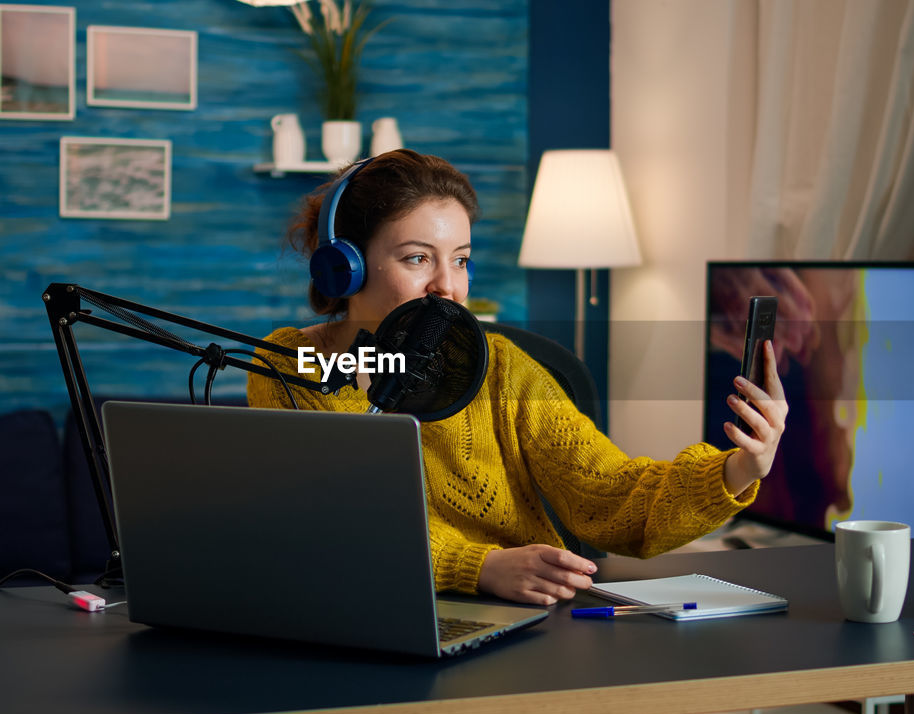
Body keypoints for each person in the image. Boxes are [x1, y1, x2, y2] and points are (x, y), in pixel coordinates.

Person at [247, 149, 788, 605]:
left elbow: (610, 496)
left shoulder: (503, 368)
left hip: (523, 623)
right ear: (345, 267)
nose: (448, 288)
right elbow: (338, 522)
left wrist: (739, 468)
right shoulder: (290, 368)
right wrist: (481, 567)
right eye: (417, 259)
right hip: (360, 617)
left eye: (459, 260)